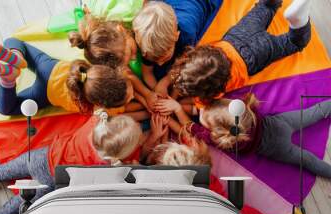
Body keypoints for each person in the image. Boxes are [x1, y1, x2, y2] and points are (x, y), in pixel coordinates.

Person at [0, 110, 169, 214]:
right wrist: (153, 136)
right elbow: (138, 161)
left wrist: (143, 113)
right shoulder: (110, 165)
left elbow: (107, 114)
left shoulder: (95, 121)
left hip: (40, 157)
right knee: (14, 207)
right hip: (50, 180)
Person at [166, 0, 312, 109]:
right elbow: (187, 71)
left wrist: (176, 104)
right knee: (264, 7)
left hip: (254, 56)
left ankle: (298, 20)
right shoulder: (203, 53)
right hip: (237, 35)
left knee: (293, 42)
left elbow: (198, 107)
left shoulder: (211, 93)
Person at [158, 91, 331, 178]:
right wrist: (179, 106)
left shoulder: (219, 139)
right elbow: (205, 113)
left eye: (202, 114)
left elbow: (189, 126)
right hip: (281, 124)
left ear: (217, 132)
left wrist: (177, 108)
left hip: (278, 148)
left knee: (307, 160)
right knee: (314, 112)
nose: (200, 109)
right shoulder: (243, 111)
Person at [0, 39, 144, 116]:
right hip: (45, 93)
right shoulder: (98, 109)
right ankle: (8, 80)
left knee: (12, 40)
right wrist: (147, 107)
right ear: (102, 104)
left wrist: (146, 97)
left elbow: (127, 76)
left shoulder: (92, 71)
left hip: (50, 67)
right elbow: (128, 111)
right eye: (130, 97)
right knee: (5, 109)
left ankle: (16, 56)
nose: (133, 96)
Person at [132, 0, 222, 86]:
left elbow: (184, 66)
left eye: (164, 57)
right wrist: (156, 90)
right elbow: (147, 73)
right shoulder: (147, 45)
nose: (160, 63)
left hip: (204, 3)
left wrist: (165, 82)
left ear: (177, 36)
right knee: (159, 72)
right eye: (155, 59)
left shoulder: (187, 35)